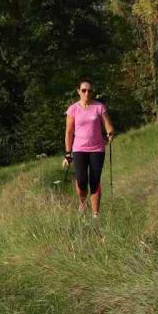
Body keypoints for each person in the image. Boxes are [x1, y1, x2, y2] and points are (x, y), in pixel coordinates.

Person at [63, 79, 114, 218]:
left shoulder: (99, 107)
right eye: (84, 90)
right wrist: (68, 153)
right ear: (78, 91)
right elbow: (69, 131)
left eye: (90, 90)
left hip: (97, 149)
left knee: (95, 180)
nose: (87, 93)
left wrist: (110, 132)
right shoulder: (73, 109)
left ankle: (96, 214)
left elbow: (108, 124)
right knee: (81, 180)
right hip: (79, 149)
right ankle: (82, 202)